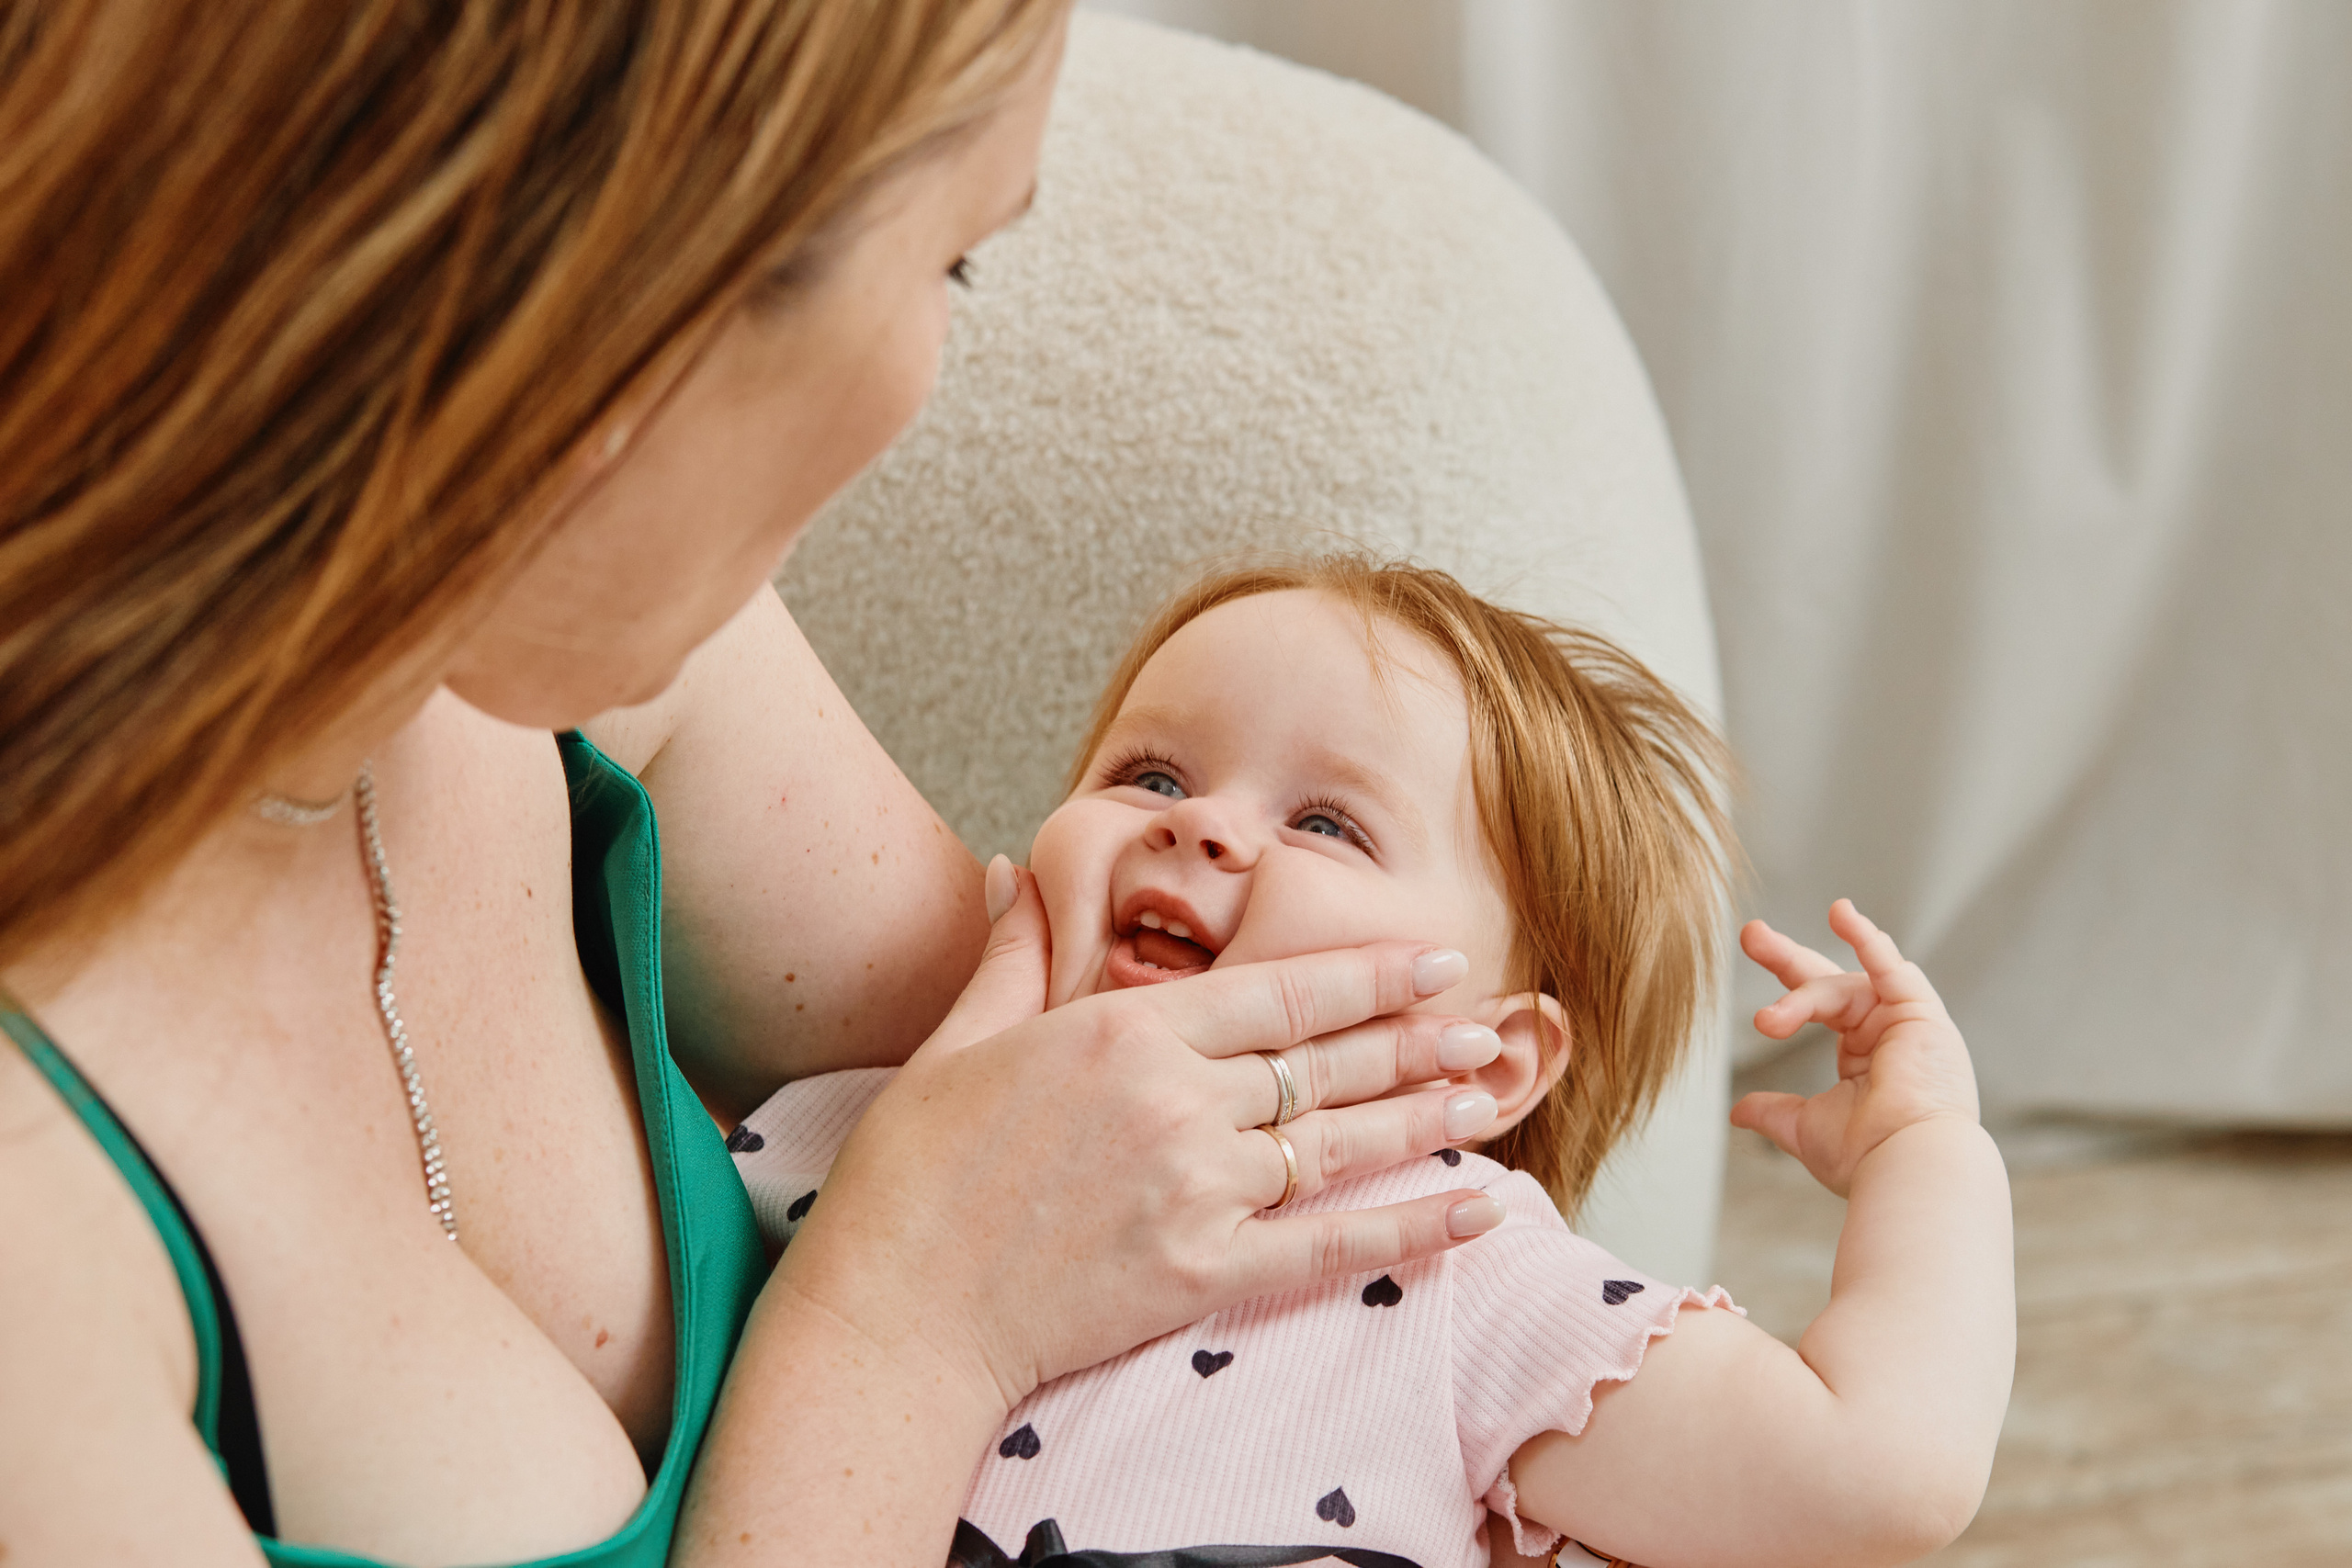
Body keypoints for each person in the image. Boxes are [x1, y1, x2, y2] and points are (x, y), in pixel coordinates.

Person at [0, 6, 1527, 1565]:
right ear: (636, 285)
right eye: (955, 267)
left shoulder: (596, 649)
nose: (926, 381)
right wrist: (900, 1326)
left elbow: (1159, 1119)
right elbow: (983, 1217)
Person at [732, 558, 2018, 1568]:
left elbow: (1875, 1470)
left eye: (1328, 822)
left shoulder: (1453, 1261)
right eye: (1150, 771)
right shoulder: (890, 1131)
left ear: (1491, 1060)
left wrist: (1926, 1153)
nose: (1202, 821)